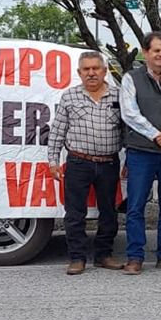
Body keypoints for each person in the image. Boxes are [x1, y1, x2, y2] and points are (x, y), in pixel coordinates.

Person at [47, 50, 125, 275]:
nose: (91, 73)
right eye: (86, 69)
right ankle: (77, 258)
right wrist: (53, 161)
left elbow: (126, 131)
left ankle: (103, 255)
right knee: (74, 213)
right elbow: (57, 131)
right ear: (79, 73)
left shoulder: (118, 96)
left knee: (109, 212)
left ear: (104, 71)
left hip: (109, 163)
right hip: (78, 162)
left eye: (96, 68)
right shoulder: (69, 97)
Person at [119, 31, 161, 275]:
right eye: (156, 50)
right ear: (146, 52)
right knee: (136, 205)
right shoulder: (130, 79)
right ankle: (135, 256)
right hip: (142, 151)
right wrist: (157, 135)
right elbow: (130, 114)